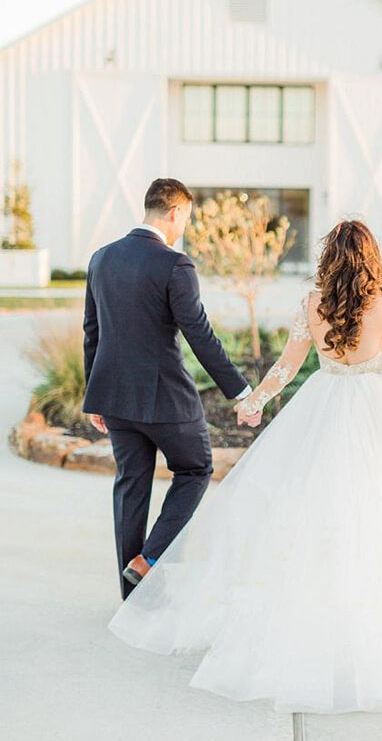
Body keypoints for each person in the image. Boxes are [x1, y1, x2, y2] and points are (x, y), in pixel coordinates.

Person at [106, 219, 382, 714]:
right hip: (375, 416)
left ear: (329, 258)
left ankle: (307, 619)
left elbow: (287, 368)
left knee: (309, 517)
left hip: (322, 409)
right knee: (377, 518)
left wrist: (254, 401)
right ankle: (366, 629)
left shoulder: (313, 304)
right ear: (371, 258)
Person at [82, 178, 258, 601]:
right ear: (177, 212)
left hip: (115, 398)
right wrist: (241, 392)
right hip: (167, 401)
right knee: (196, 469)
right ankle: (147, 560)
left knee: (131, 486)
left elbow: (92, 331)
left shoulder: (101, 259)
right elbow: (200, 335)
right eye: (187, 219)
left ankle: (131, 596)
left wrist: (94, 395)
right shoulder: (174, 264)